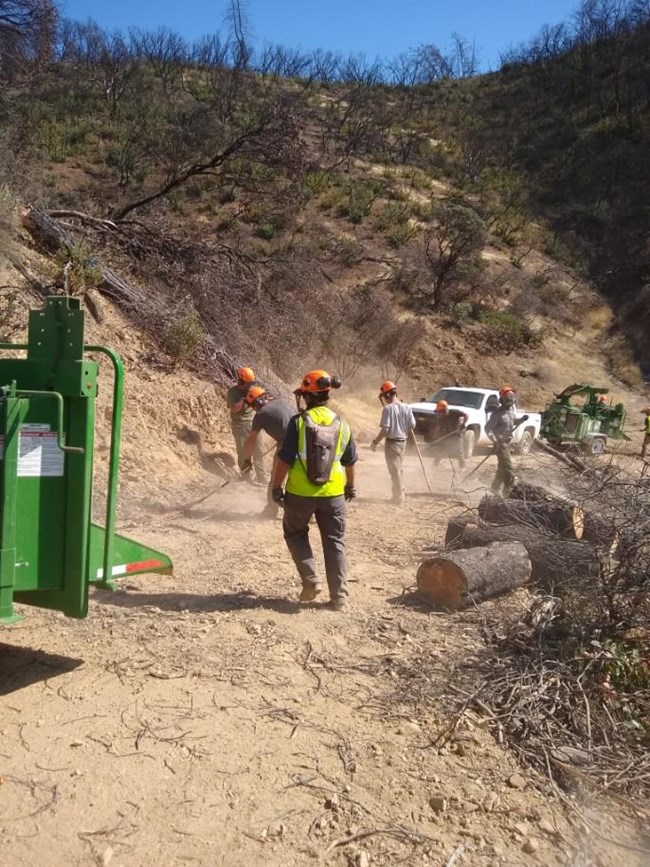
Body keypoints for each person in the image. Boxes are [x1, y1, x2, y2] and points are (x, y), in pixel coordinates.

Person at [271, 370, 357, 611]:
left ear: (306, 396)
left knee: (295, 534)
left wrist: (276, 487)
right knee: (335, 541)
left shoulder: (297, 423)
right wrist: (350, 486)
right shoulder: (343, 424)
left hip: (299, 493)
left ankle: (311, 582)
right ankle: (339, 598)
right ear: (328, 395)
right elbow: (350, 462)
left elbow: (285, 460)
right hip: (333, 495)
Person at [240, 386, 295, 517]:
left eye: (252, 406)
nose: (253, 409)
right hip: (303, 442)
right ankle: (307, 514)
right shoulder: (283, 402)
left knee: (276, 479)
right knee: (299, 478)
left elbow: (251, 440)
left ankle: (271, 510)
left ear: (256, 403)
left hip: (286, 446)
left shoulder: (261, 414)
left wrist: (247, 461)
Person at [370, 380, 416, 505]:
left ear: (387, 395)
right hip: (403, 441)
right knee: (398, 468)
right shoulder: (406, 407)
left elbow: (385, 429)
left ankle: (399, 498)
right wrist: (402, 428)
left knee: (394, 470)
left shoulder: (388, 409)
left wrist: (375, 442)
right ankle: (400, 493)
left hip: (392, 442)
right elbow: (412, 425)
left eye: (384, 396)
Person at [485, 385, 528, 495]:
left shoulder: (510, 412)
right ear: (502, 399)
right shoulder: (497, 413)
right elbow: (488, 428)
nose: (510, 400)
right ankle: (508, 490)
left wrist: (521, 420)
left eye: (511, 397)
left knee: (502, 468)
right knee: (508, 466)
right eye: (508, 398)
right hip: (501, 444)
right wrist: (495, 441)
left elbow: (512, 422)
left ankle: (494, 489)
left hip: (507, 443)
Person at [226, 367, 266, 484]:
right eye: (248, 384)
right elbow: (234, 410)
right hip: (240, 426)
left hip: (254, 424)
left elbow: (263, 404)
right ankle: (245, 476)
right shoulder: (233, 392)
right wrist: (244, 400)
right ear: (241, 381)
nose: (250, 386)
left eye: (251, 384)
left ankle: (262, 477)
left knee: (259, 450)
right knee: (243, 452)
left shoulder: (253, 390)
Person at [426, 399, 468, 469]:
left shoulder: (454, 412)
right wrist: (434, 438)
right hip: (448, 433)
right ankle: (435, 465)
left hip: (457, 434)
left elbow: (466, 415)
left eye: (439, 412)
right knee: (441, 449)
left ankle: (463, 467)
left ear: (444, 410)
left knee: (459, 451)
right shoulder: (441, 418)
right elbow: (437, 428)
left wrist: (463, 424)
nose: (438, 414)